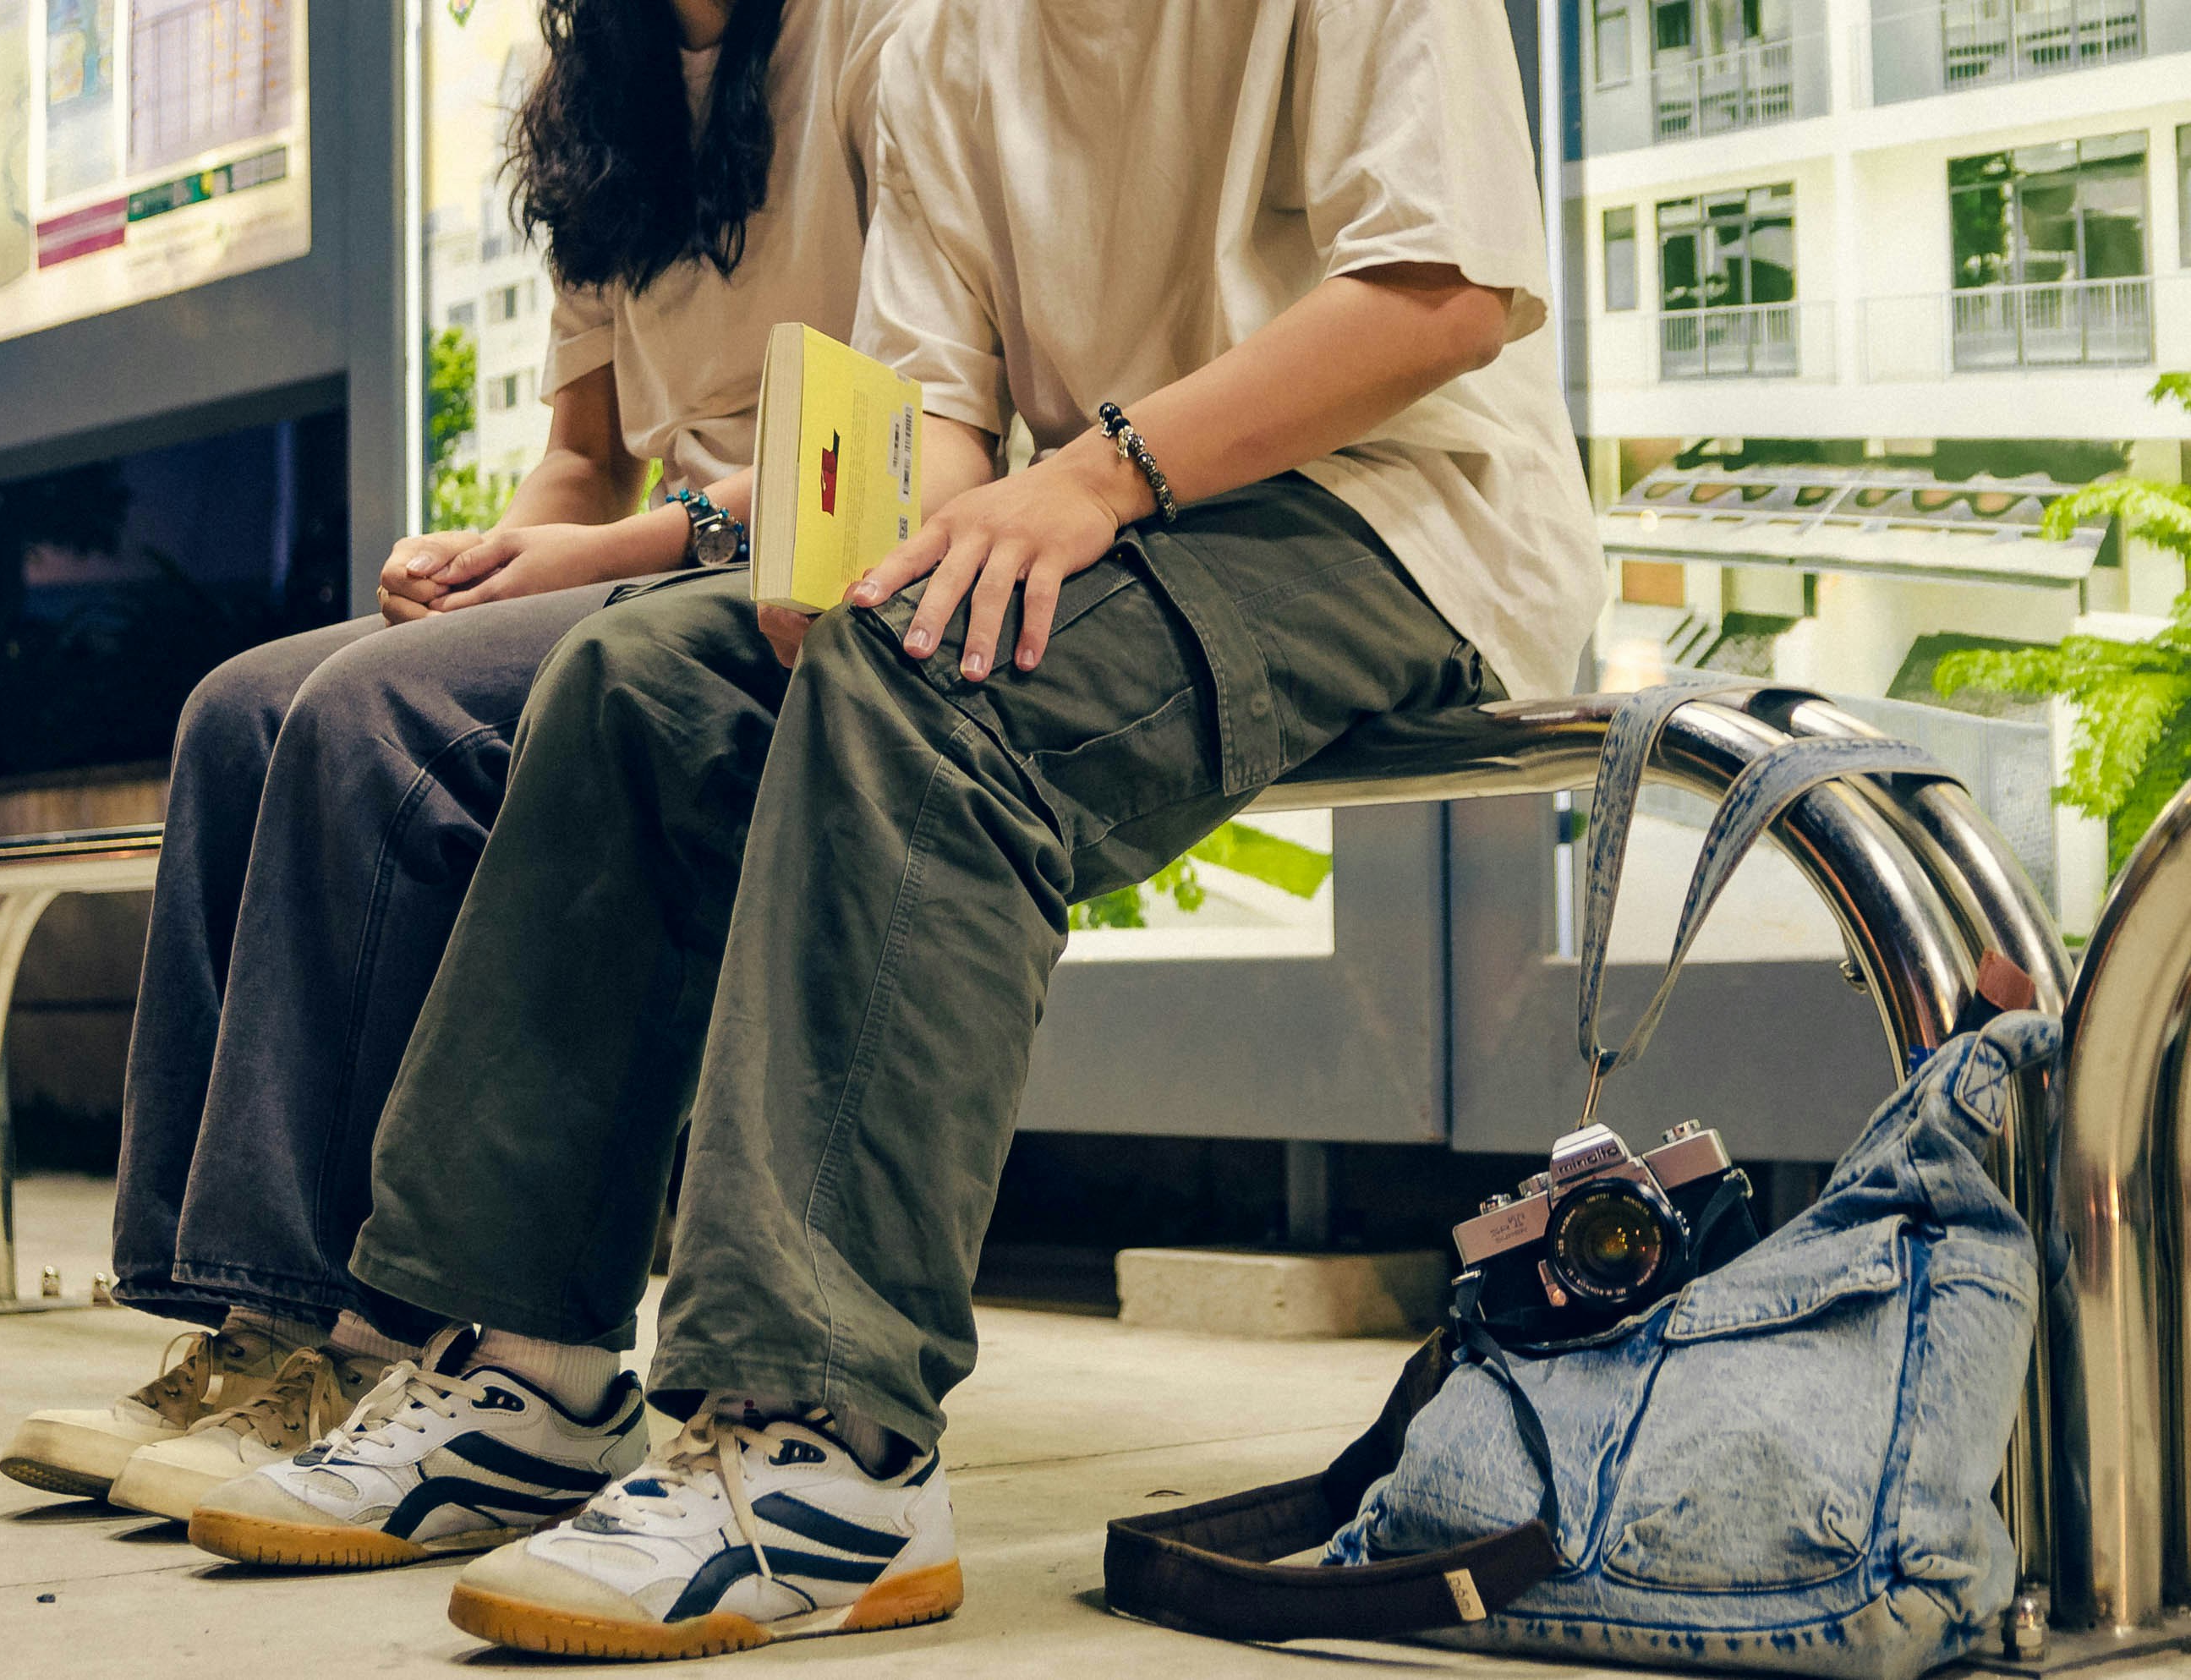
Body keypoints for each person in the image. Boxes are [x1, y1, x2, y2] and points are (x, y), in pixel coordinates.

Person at [194, 0, 1602, 1655]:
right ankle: (518, 1370)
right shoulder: (940, 43)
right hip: (1119, 522)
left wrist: (1097, 478)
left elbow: (1438, 298)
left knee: (932, 679)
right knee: (645, 681)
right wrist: (850, 557)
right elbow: (936, 408)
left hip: (1391, 511)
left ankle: (825, 1445)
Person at [0, 0, 909, 1538]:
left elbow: (898, 426)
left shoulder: (876, 39)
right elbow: (583, 451)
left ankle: (352, 1334)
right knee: (242, 707)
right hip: (654, 555)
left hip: (816, 556)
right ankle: (247, 1323)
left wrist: (592, 550)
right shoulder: (598, 84)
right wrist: (487, 554)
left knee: (373, 719)